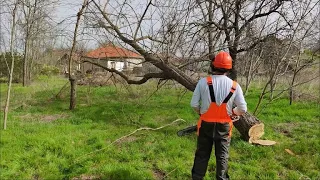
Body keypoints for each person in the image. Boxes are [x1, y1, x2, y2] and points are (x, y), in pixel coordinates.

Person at [190, 51, 247, 180]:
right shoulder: (234, 86)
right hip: (224, 126)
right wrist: (233, 113)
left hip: (205, 125)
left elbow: (194, 104)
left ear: (213, 65)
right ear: (229, 67)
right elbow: (243, 108)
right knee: (222, 156)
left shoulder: (203, 82)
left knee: (202, 155)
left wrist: (201, 112)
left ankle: (197, 177)